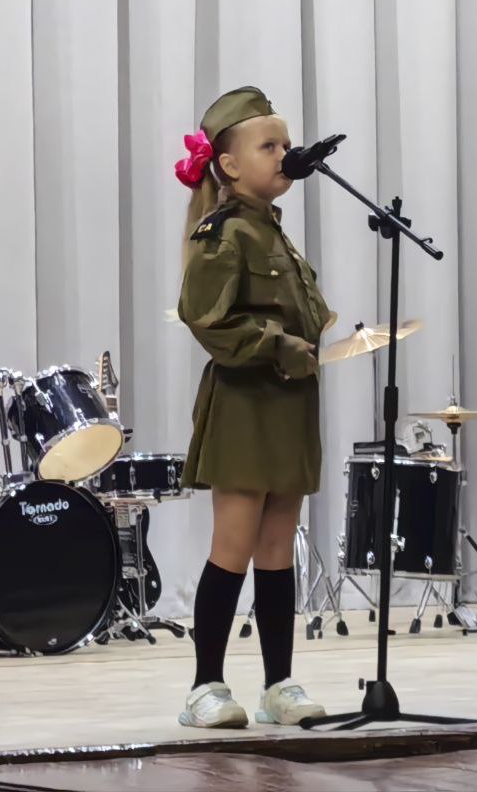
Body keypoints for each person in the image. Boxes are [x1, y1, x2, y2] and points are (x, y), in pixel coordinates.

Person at [174, 86, 331, 727]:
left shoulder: (275, 233)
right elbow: (205, 318)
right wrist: (277, 345)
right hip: (245, 401)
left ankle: (278, 684)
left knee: (276, 548)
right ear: (229, 164)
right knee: (233, 545)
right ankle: (204, 687)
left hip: (289, 401)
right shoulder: (224, 233)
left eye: (286, 144)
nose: (284, 154)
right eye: (269, 146)